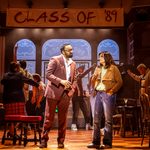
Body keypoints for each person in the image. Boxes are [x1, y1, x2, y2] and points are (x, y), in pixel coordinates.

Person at [39, 43, 77, 149]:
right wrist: (61, 81)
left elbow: (74, 79)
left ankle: (61, 141)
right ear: (63, 51)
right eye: (69, 50)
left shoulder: (73, 63)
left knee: (63, 119)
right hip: (53, 92)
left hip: (66, 94)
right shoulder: (55, 59)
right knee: (48, 118)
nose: (71, 52)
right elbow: (48, 75)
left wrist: (71, 91)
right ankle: (44, 140)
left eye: (72, 50)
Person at [87, 51, 123, 149]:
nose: (100, 59)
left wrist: (112, 91)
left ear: (107, 58)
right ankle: (95, 142)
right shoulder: (98, 68)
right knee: (96, 119)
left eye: (102, 57)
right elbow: (93, 80)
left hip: (108, 94)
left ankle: (107, 143)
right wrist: (93, 79)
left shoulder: (113, 68)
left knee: (108, 120)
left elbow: (119, 82)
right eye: (100, 57)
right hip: (98, 93)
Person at [1, 61, 39, 137]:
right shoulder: (19, 75)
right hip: (18, 99)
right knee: (19, 117)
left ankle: (12, 132)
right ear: (16, 68)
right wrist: (37, 84)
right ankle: (13, 131)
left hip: (7, 99)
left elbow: (2, 82)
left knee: (11, 117)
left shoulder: (5, 76)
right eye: (18, 67)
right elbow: (29, 81)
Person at [71, 64, 96, 131]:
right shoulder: (74, 76)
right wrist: (91, 68)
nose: (82, 71)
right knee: (75, 112)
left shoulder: (79, 77)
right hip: (75, 98)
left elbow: (80, 88)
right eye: (81, 69)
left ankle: (88, 125)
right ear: (77, 69)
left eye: (82, 70)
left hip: (81, 98)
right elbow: (83, 74)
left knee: (86, 111)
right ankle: (73, 125)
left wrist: (83, 93)